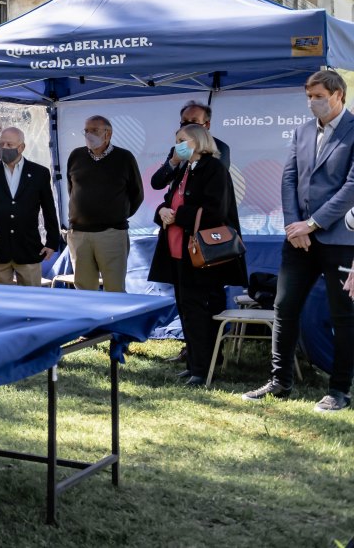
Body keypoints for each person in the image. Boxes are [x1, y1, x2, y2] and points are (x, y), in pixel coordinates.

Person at [244, 70, 354, 412]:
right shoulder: (302, 131)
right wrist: (295, 225)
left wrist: (313, 223)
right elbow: (289, 178)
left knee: (343, 316)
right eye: (308, 96)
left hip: (339, 239)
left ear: (337, 95)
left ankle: (339, 390)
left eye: (318, 96)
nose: (312, 102)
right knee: (284, 307)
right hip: (299, 240)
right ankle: (279, 382)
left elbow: (351, 187)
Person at [147, 124, 247, 386]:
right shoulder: (183, 168)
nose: (177, 143)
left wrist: (176, 215)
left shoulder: (214, 169)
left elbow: (215, 211)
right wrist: (162, 211)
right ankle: (194, 363)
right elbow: (166, 194)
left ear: (199, 140)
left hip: (200, 254)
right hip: (176, 250)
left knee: (197, 310)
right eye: (176, 139)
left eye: (182, 139)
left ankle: (203, 370)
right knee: (185, 308)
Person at [0, 126, 60, 286]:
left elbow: (49, 209)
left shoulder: (39, 173)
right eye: (1, 144)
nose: (4, 148)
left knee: (31, 300)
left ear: (21, 147)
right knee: (0, 301)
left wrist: (52, 242)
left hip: (28, 247)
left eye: (9, 145)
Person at [65, 115, 143, 292]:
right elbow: (73, 190)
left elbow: (137, 194)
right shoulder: (76, 155)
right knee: (84, 289)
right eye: (86, 130)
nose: (88, 134)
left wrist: (117, 215)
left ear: (108, 134)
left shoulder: (124, 158)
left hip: (112, 233)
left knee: (114, 288)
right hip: (79, 234)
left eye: (94, 130)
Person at [150, 100, 231, 190]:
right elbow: (156, 184)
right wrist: (173, 162)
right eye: (184, 121)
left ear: (207, 125)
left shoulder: (219, 147)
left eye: (194, 121)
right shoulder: (177, 149)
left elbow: (216, 185)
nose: (188, 125)